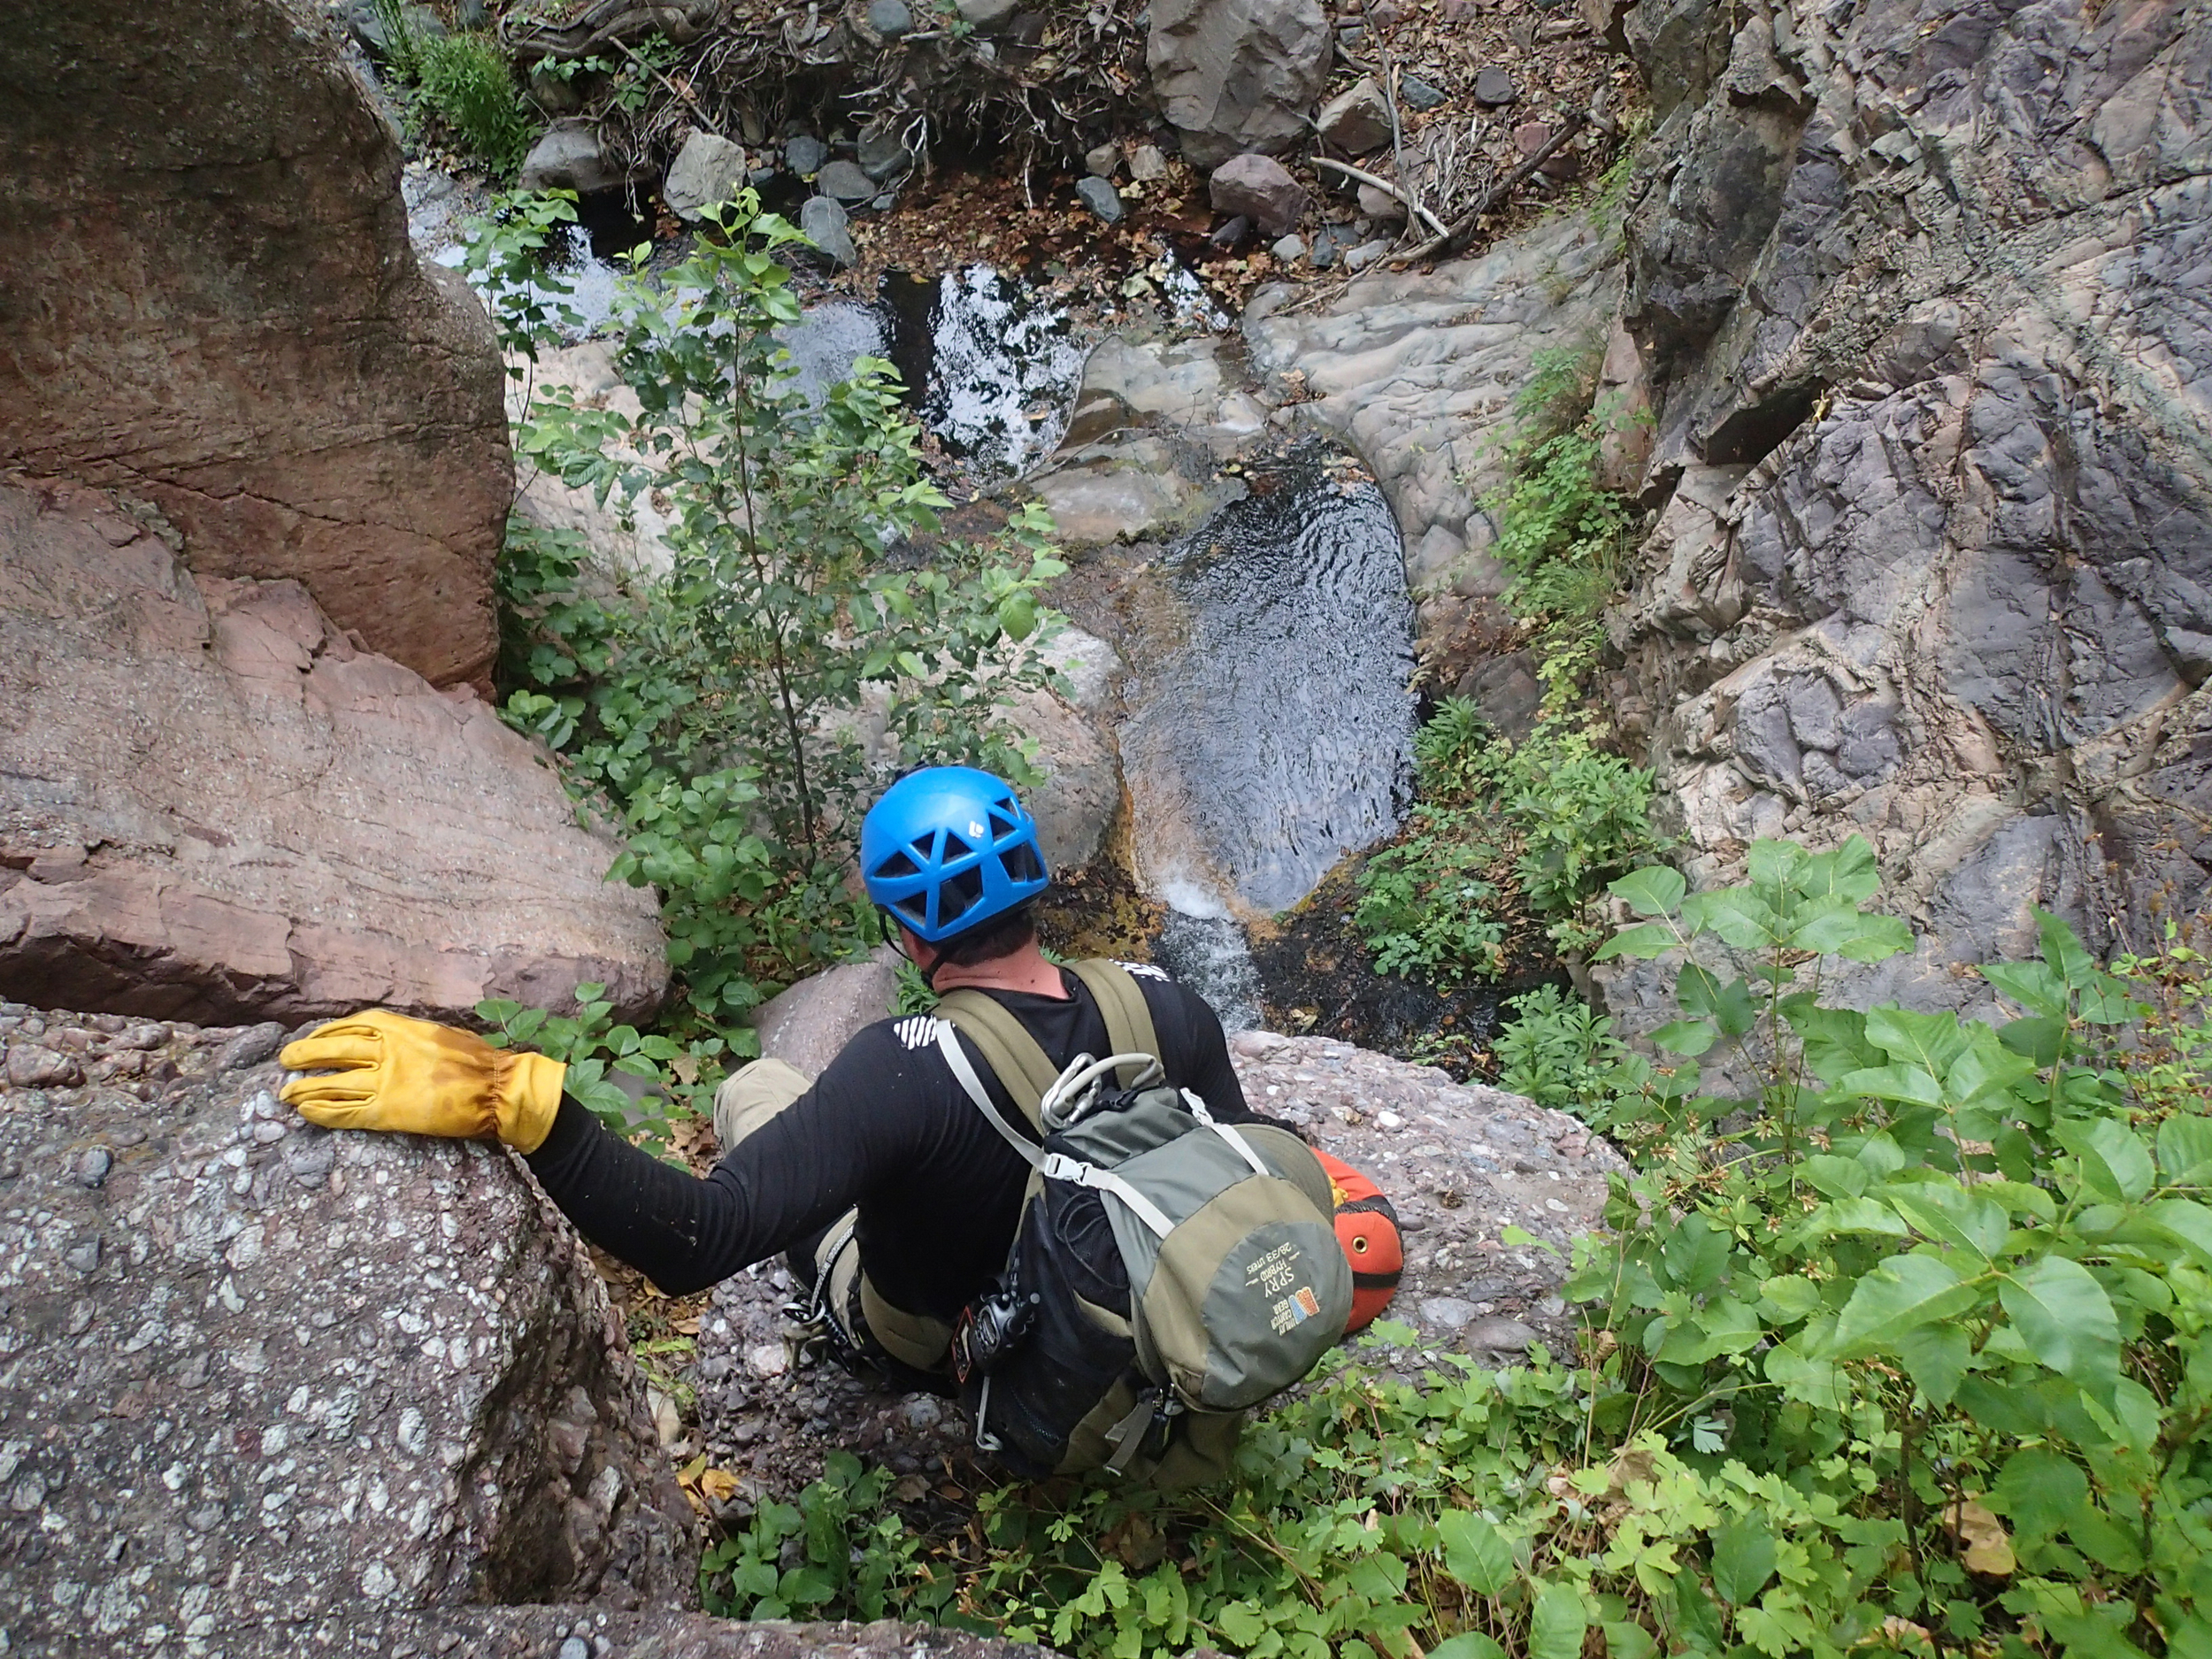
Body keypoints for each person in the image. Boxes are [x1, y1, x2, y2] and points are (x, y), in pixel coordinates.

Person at [279, 764, 1277, 1397]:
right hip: (1128, 1301)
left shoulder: (900, 1072)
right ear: (1033, 886)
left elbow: (700, 1240)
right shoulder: (1167, 1004)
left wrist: (528, 1107)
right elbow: (1240, 1157)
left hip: (948, 1344)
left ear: (906, 931)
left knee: (757, 1090)